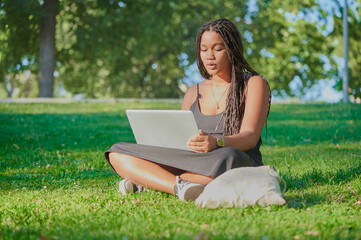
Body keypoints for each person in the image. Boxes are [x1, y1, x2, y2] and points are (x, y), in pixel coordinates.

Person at [104, 18, 271, 201]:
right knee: (118, 152)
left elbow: (250, 137)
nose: (209, 56)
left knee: (229, 157)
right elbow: (181, 140)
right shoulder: (193, 92)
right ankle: (180, 186)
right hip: (193, 161)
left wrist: (217, 142)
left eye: (218, 49)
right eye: (204, 49)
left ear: (232, 49)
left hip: (232, 158)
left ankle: (150, 182)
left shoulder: (253, 84)